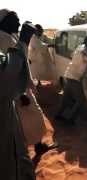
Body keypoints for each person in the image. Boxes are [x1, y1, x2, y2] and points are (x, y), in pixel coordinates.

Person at [0, 9, 36, 180]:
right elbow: (7, 75)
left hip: (10, 98)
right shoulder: (1, 38)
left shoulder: (8, 36)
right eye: (14, 19)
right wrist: (24, 41)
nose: (18, 22)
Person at [55, 35, 87, 125]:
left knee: (66, 98)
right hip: (74, 78)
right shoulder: (84, 51)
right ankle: (71, 119)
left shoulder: (80, 47)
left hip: (69, 75)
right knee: (81, 100)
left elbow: (73, 55)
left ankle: (58, 115)